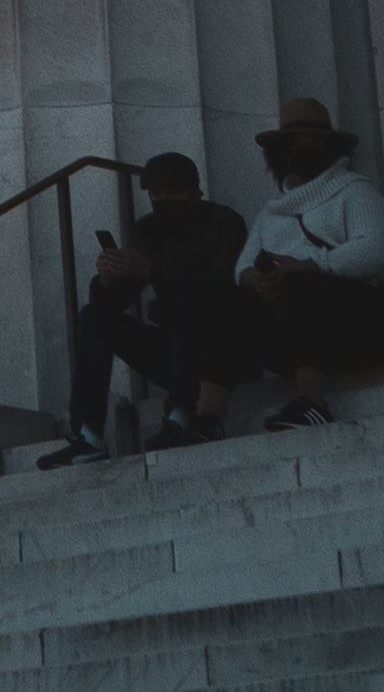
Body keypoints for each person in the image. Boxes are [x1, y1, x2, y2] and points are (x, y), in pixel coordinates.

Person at [178, 97, 384, 437]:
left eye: (313, 145)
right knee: (222, 300)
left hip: (370, 320)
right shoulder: (273, 213)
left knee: (300, 285)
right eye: (295, 146)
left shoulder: (354, 192)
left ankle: (313, 404)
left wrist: (311, 266)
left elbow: (374, 251)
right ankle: (209, 419)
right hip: (299, 326)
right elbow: (242, 269)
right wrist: (258, 280)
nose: (304, 151)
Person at [45, 153, 247, 462]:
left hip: (217, 349)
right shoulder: (150, 230)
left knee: (190, 300)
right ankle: (89, 435)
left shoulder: (224, 224)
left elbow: (221, 286)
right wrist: (108, 280)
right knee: (93, 316)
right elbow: (114, 303)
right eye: (156, 193)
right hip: (173, 351)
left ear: (194, 192)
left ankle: (181, 417)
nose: (163, 200)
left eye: (173, 191)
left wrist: (151, 270)